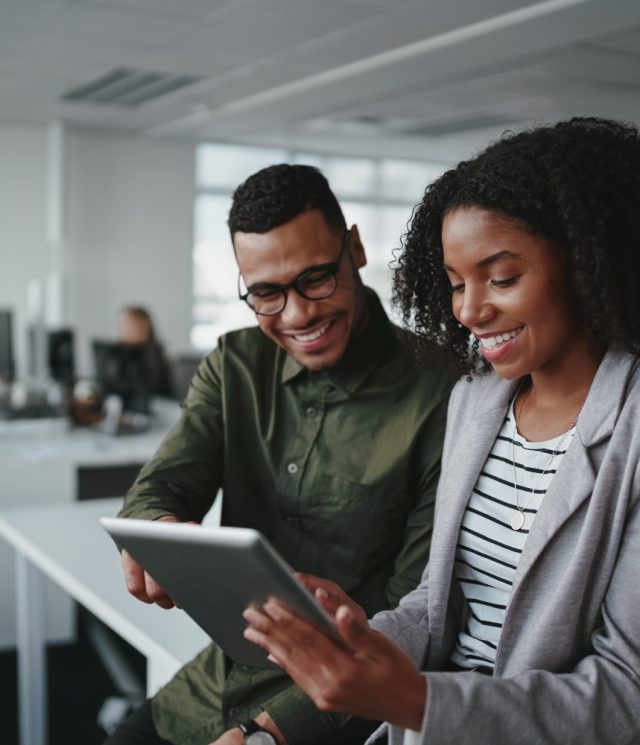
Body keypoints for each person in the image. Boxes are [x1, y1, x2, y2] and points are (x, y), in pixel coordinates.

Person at [243, 118, 640, 745]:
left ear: (588, 260)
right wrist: (355, 635)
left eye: (502, 278)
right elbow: (437, 605)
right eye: (456, 284)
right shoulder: (475, 401)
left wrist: (423, 699)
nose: (469, 310)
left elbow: (627, 695)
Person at [107, 164, 452, 745]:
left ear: (356, 249)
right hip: (217, 683)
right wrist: (154, 532)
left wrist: (269, 734)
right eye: (266, 293)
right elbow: (155, 490)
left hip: (339, 709)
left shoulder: (443, 391)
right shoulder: (235, 363)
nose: (298, 315)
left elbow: (416, 613)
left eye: (316, 278)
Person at [118, 305, 175, 398]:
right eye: (122, 327)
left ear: (145, 327)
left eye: (129, 325)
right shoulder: (120, 354)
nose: (125, 331)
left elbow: (146, 391)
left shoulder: (155, 355)